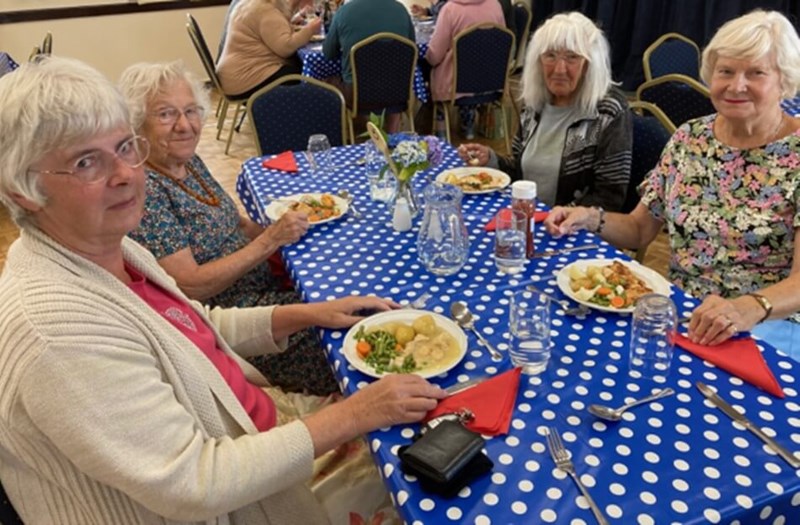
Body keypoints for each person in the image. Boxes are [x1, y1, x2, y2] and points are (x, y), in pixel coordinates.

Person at [0, 55, 447, 524]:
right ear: (21, 190)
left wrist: (312, 313)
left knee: (419, 426)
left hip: (255, 422)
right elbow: (196, 482)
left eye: (124, 147)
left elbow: (191, 323)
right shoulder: (57, 332)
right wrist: (355, 415)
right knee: (425, 489)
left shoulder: (114, 250)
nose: (126, 174)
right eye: (86, 162)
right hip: (240, 500)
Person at [544, 10, 800, 356]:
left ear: (785, 80)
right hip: (683, 317)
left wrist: (749, 307)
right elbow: (638, 230)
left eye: (756, 73)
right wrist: (590, 218)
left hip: (766, 326)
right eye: (726, 71)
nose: (736, 85)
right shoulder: (689, 139)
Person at [119, 61, 340, 395]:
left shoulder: (187, 161)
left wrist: (283, 234)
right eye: (165, 114)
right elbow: (190, 285)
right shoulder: (147, 191)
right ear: (136, 124)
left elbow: (234, 221)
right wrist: (270, 240)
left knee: (337, 287)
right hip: (236, 320)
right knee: (338, 339)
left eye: (191, 111)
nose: (184, 125)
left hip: (264, 286)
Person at [457, 12, 632, 211]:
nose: (559, 69)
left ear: (589, 65)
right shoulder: (535, 103)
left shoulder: (608, 112)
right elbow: (520, 171)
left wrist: (560, 218)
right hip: (527, 219)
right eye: (550, 55)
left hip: (573, 233)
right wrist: (491, 159)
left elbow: (609, 198)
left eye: (572, 57)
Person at [322, 0, 415, 132]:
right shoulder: (401, 10)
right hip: (398, 93)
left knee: (325, 82)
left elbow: (328, 53)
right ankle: (392, 134)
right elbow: (411, 49)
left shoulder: (344, 11)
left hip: (358, 95)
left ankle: (345, 136)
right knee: (392, 81)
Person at [424, 0, 505, 140]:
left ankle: (441, 132)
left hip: (455, 86)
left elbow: (435, 56)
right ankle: (468, 125)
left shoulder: (450, 10)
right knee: (471, 67)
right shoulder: (495, 5)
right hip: (490, 82)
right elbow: (502, 43)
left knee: (434, 70)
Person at [216, 0, 321, 100]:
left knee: (299, 65)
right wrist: (310, 29)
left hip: (232, 78)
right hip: (246, 80)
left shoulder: (249, 4)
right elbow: (286, 48)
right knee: (311, 74)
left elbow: (272, 30)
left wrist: (292, 20)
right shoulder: (266, 11)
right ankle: (321, 113)